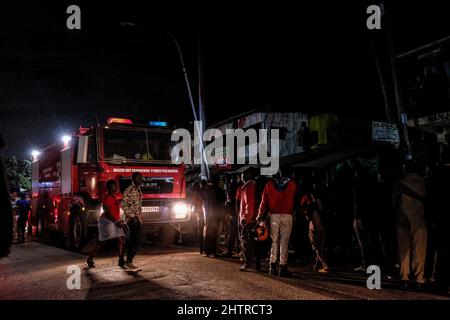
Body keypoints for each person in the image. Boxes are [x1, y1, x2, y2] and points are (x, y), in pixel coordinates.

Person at [392, 160, 427, 289]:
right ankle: (420, 278)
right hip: (420, 221)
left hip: (402, 221)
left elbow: (393, 203)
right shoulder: (423, 183)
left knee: (403, 251)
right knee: (419, 251)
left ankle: (404, 277)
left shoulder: (399, 184)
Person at [258, 168, 297, 277]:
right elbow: (296, 199)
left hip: (274, 215)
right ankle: (283, 267)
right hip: (288, 215)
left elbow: (263, 201)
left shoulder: (269, 184)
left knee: (274, 241)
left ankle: (272, 266)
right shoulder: (292, 184)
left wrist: (260, 215)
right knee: (284, 242)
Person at [86, 179, 126, 268]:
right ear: (110, 187)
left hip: (113, 220)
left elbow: (115, 210)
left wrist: (119, 219)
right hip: (106, 221)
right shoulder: (107, 198)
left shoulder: (114, 196)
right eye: (115, 186)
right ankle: (90, 259)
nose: (116, 187)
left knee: (121, 239)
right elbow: (107, 212)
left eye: (116, 186)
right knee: (101, 241)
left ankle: (121, 260)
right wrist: (116, 221)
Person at [301, 186, 330, 273]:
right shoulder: (322, 203)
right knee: (320, 247)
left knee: (317, 248)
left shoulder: (310, 206)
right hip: (323, 228)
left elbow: (308, 218)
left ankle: (325, 265)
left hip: (314, 228)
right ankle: (317, 265)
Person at [122, 172, 143, 271]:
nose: (141, 180)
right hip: (132, 220)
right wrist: (132, 216)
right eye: (138, 178)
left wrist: (139, 218)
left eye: (141, 178)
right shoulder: (129, 190)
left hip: (137, 219)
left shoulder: (137, 189)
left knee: (135, 240)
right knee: (136, 240)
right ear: (133, 179)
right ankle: (129, 262)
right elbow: (124, 205)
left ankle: (127, 261)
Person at [239, 168, 259, 271]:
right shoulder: (252, 185)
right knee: (249, 241)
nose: (241, 177)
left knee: (246, 241)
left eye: (242, 175)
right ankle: (251, 263)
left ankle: (249, 264)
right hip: (251, 219)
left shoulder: (248, 187)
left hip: (248, 220)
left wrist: (245, 218)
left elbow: (249, 204)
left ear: (247, 175)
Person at [200, 175, 226, 257]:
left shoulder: (206, 191)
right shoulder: (219, 190)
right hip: (216, 215)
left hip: (208, 215)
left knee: (208, 233)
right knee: (214, 234)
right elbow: (223, 202)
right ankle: (212, 252)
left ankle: (206, 252)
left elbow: (203, 202)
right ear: (218, 181)